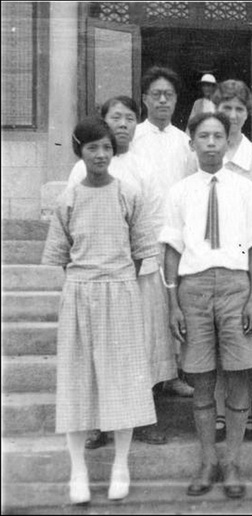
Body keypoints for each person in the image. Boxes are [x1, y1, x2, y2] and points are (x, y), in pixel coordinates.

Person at [42, 117, 158, 504]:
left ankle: (120, 466)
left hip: (121, 294)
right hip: (79, 294)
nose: (101, 154)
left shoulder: (129, 194)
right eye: (93, 147)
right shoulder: (68, 199)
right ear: (80, 151)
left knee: (121, 382)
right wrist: (84, 285)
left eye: (107, 147)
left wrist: (117, 285)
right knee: (77, 383)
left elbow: (144, 253)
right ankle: (78, 471)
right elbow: (60, 257)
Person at [159, 112, 252, 499]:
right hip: (194, 288)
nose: (210, 143)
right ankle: (207, 461)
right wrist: (173, 304)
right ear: (191, 144)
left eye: (217, 136)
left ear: (227, 142)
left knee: (239, 378)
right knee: (201, 380)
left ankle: (233, 462)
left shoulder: (246, 189)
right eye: (202, 136)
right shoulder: (180, 191)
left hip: (236, 288)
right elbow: (171, 249)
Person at [67, 96, 175, 449]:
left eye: (131, 118)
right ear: (103, 121)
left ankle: (140, 420)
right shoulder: (80, 171)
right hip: (95, 275)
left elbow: (155, 219)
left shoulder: (144, 166)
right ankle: (100, 423)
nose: (124, 124)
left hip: (138, 274)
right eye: (117, 117)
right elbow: (71, 223)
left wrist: (142, 262)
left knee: (137, 348)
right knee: (98, 347)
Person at [210, 79, 252, 441]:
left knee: (248, 336)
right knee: (220, 335)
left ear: (247, 113)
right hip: (213, 254)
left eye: (239, 109)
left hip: (248, 254)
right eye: (226, 108)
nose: (232, 116)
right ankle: (221, 412)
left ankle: (248, 408)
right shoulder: (207, 149)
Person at [133, 65, 197, 398]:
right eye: (155, 94)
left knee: (175, 303)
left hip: (177, 235)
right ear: (144, 99)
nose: (162, 100)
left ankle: (172, 373)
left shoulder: (185, 142)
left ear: (176, 101)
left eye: (168, 95)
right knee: (149, 311)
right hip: (143, 234)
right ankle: (148, 378)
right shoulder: (134, 138)